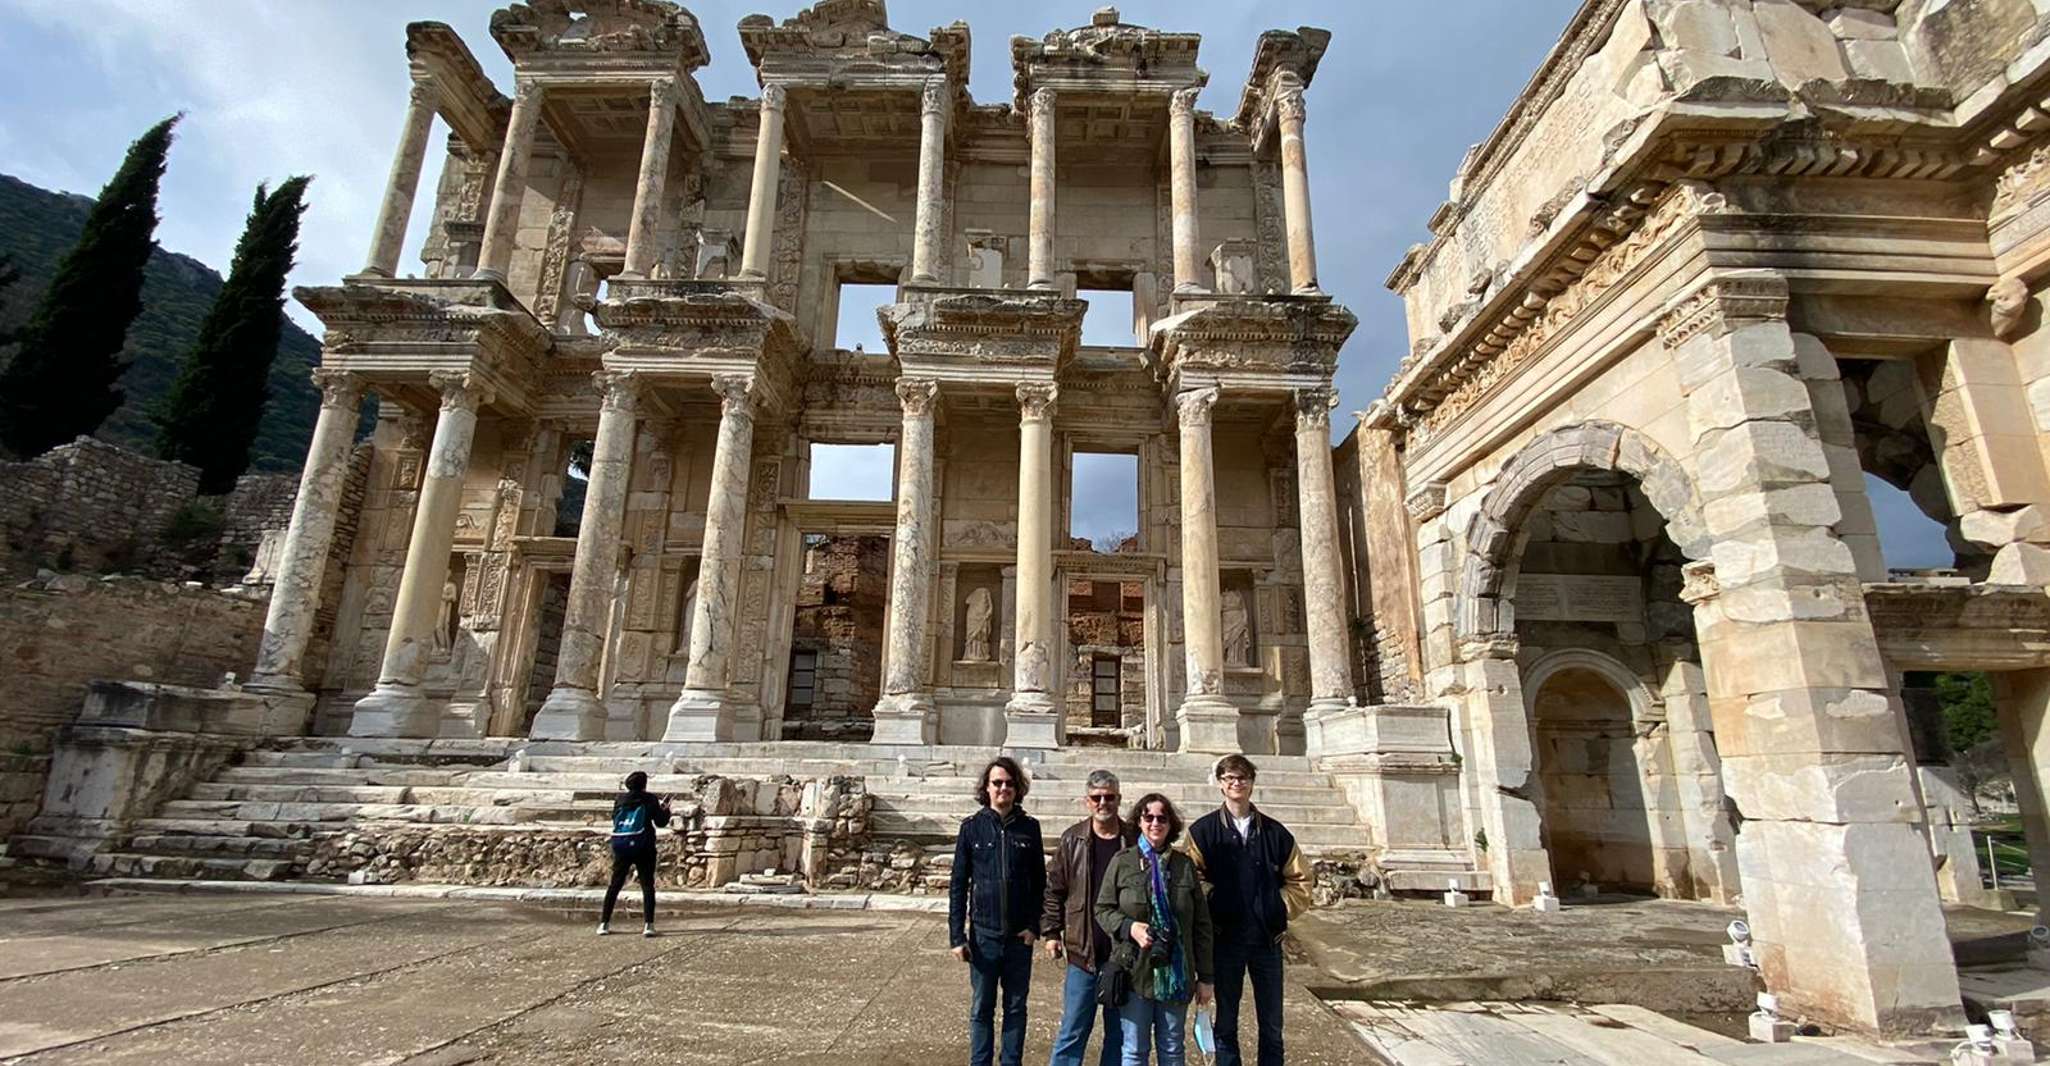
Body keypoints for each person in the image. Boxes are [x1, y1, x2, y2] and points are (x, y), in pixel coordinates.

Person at [1181, 755, 1311, 1066]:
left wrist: (1275, 908)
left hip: (1267, 941)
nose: (1236, 783)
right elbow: (1192, 879)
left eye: (1242, 778)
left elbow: (1301, 879)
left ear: (1252, 782)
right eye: (1229, 778)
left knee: (1272, 1025)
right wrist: (1216, 903)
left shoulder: (1276, 833)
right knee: (1225, 1023)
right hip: (1225, 939)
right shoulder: (1202, 832)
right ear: (1220, 784)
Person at [1096, 793, 1214, 1066]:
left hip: (1176, 971)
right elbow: (1102, 909)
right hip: (1134, 969)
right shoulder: (1122, 861)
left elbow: (1201, 925)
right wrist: (1129, 927)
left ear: (1170, 824)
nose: (1155, 823)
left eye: (1162, 818)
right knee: (1134, 1049)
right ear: (1139, 821)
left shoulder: (1184, 865)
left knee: (1172, 1048)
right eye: (1148, 817)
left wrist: (1206, 977)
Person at [951, 756, 1047, 1066]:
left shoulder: (1030, 828)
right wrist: (957, 936)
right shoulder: (972, 828)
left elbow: (1039, 883)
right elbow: (959, 884)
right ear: (987, 788)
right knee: (981, 1007)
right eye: (997, 783)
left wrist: (1035, 926)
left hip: (1019, 937)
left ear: (1018, 788)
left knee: (1016, 1008)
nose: (1003, 788)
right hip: (984, 936)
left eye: (1009, 783)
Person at [1043, 769, 1138, 1066]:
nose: (1103, 803)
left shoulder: (1134, 839)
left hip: (1122, 954)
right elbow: (1054, 889)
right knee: (1072, 1031)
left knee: (1119, 1034)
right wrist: (1050, 932)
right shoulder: (1072, 839)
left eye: (1109, 797)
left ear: (1119, 799)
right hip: (1082, 952)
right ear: (1087, 801)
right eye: (1097, 798)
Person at [598, 770, 672, 937]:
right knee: (647, 885)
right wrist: (666, 810)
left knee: (614, 885)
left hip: (622, 845)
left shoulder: (620, 799)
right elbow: (660, 822)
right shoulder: (649, 799)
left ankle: (604, 923)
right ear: (644, 784)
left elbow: (615, 819)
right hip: (644, 845)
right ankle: (648, 925)